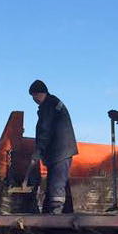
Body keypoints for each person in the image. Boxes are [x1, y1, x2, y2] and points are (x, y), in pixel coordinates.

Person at [27, 79, 78, 213]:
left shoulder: (49, 105)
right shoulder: (52, 103)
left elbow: (45, 130)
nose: (34, 99)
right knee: (59, 182)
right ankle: (64, 212)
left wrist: (37, 152)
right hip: (61, 150)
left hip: (59, 151)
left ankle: (55, 214)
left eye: (34, 96)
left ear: (40, 93)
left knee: (57, 183)